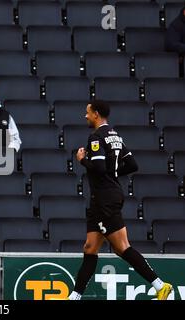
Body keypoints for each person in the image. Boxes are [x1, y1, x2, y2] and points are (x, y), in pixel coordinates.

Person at [69, 100, 172, 300]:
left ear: (96, 114)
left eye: (88, 113)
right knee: (90, 247)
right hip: (104, 196)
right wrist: (113, 172)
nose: (86, 116)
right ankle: (74, 296)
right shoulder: (115, 136)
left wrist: (82, 159)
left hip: (104, 199)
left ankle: (160, 286)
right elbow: (132, 165)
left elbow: (98, 168)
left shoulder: (96, 137)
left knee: (122, 247)